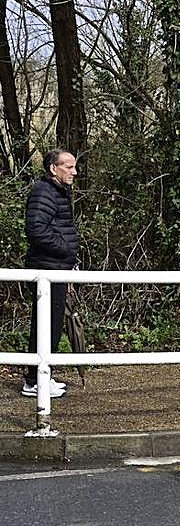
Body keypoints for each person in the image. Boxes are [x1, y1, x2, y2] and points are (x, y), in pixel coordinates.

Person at [23, 149, 79, 397]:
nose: (74, 172)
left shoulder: (57, 192)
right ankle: (35, 381)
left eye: (74, 166)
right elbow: (36, 230)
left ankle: (41, 377)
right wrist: (65, 250)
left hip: (56, 268)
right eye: (69, 166)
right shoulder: (44, 191)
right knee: (46, 325)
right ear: (53, 168)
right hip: (47, 268)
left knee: (51, 325)